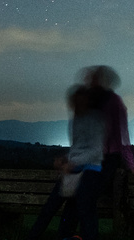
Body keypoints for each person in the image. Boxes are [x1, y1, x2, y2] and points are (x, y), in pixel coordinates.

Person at [28, 84, 105, 240]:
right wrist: (66, 159)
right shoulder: (76, 120)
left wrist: (72, 162)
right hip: (74, 171)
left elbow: (96, 150)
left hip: (90, 171)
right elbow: (77, 148)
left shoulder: (95, 121)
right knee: (51, 207)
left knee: (80, 208)